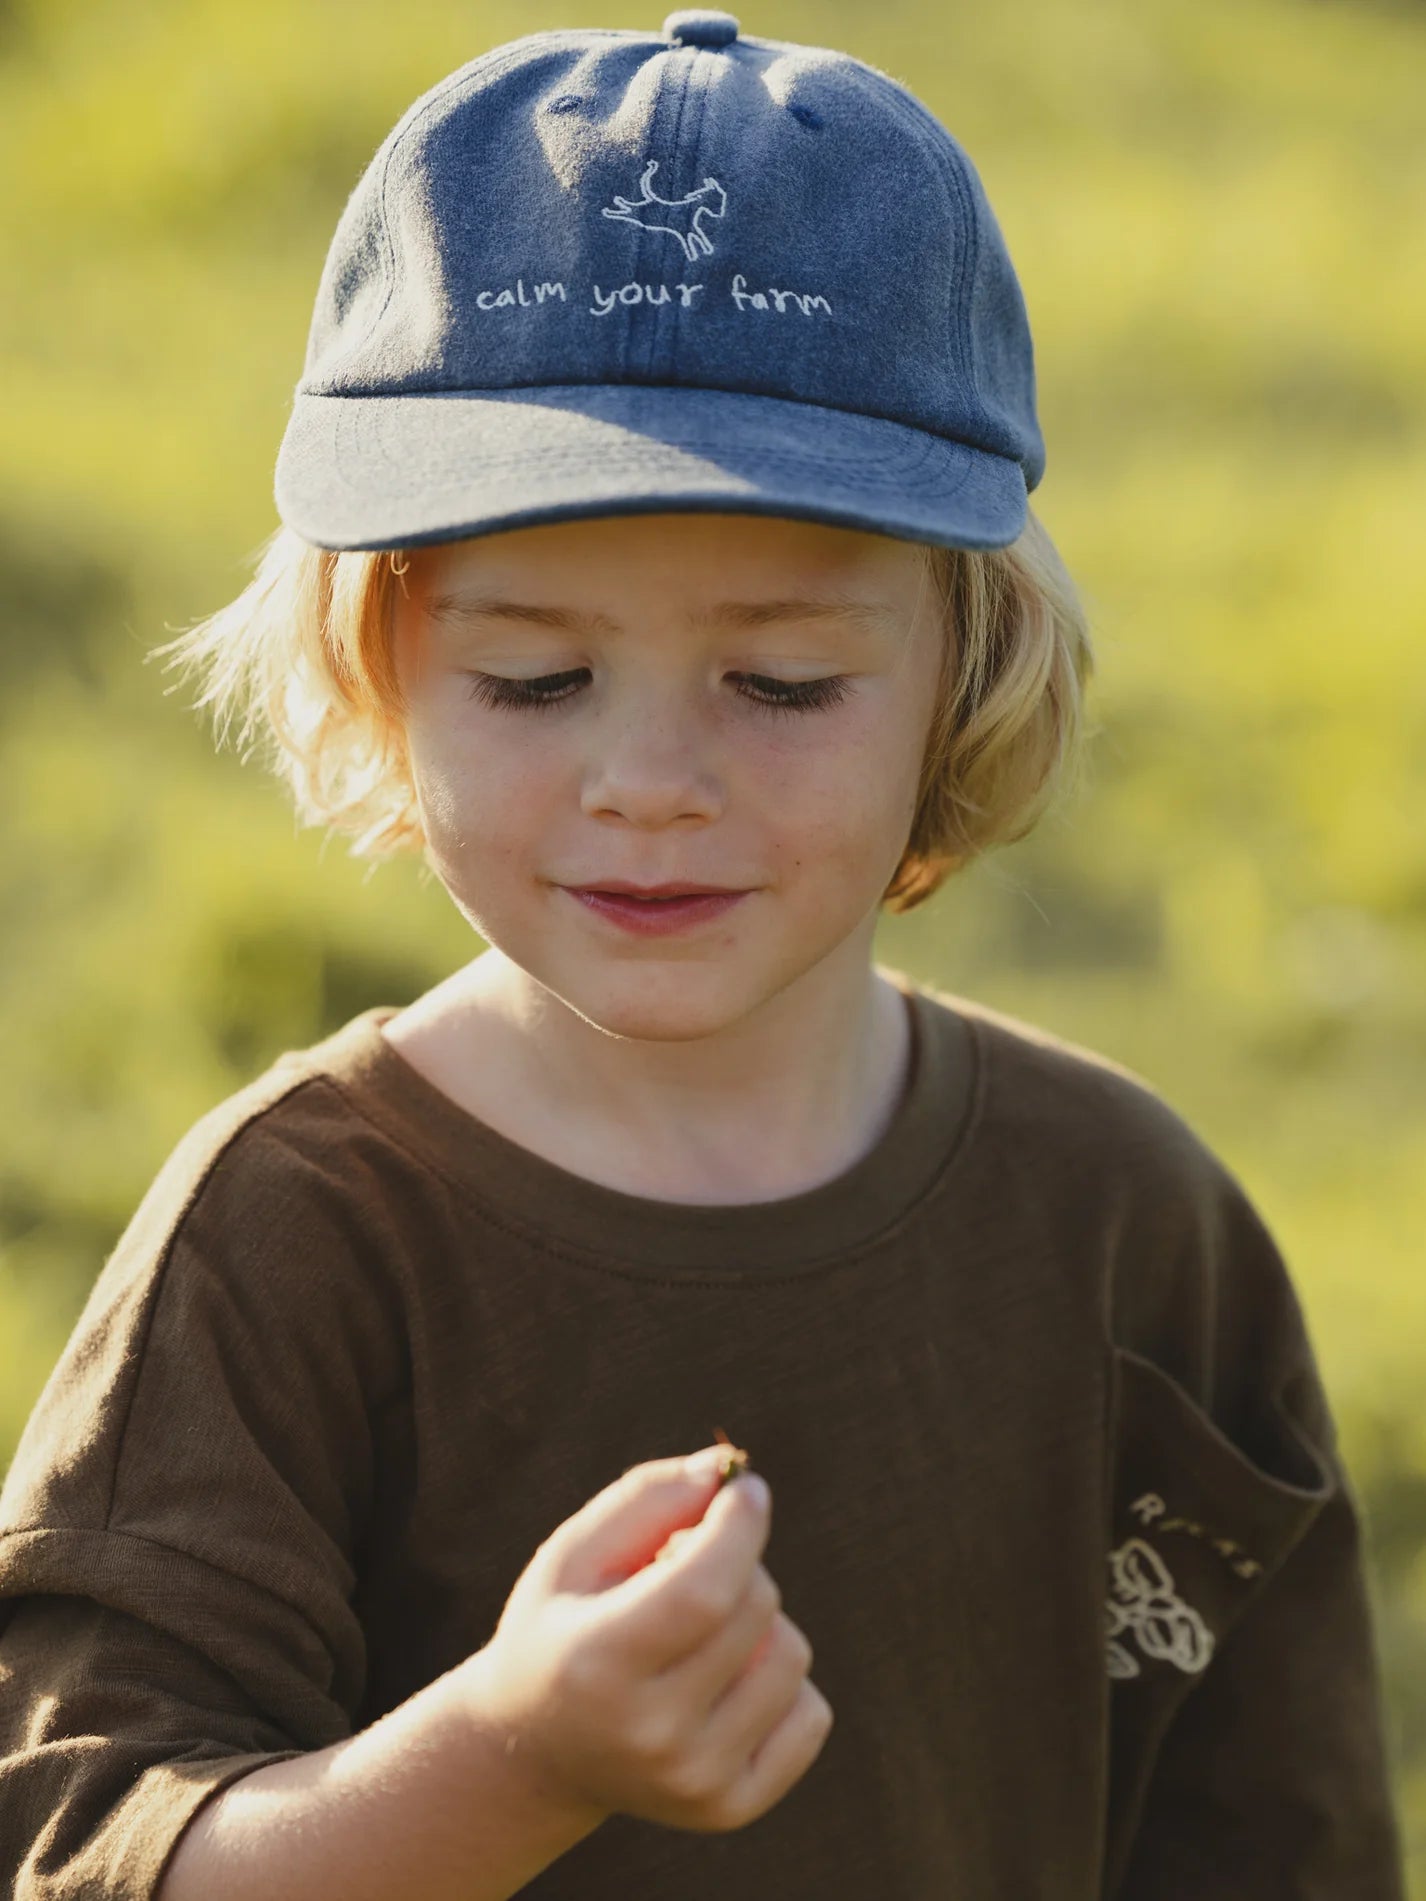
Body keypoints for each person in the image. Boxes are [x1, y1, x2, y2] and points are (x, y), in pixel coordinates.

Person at [0, 11, 1408, 1900]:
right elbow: (84, 1849)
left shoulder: (1129, 1227)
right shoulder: (292, 1239)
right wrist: (513, 1754)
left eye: (782, 679)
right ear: (378, 668)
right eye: (535, 677)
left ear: (963, 674)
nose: (649, 782)